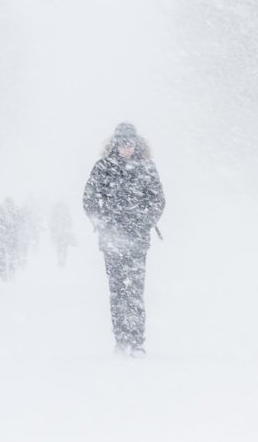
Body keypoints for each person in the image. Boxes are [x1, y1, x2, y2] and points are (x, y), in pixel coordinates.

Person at [83, 123, 165, 357]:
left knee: (135, 292)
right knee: (117, 290)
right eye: (121, 143)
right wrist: (101, 223)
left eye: (129, 143)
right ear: (115, 143)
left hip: (138, 240)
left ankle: (137, 341)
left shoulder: (146, 168)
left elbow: (158, 200)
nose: (125, 147)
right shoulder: (102, 168)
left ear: (135, 143)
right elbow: (88, 199)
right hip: (111, 241)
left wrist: (145, 221)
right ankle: (121, 339)